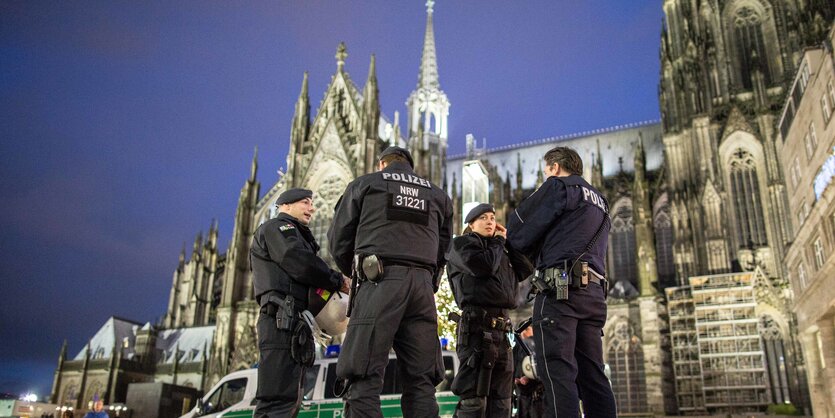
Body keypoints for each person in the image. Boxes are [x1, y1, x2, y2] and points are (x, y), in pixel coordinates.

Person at [328, 146, 453, 418]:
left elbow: (339, 240)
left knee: (363, 375)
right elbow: (445, 249)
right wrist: (429, 280)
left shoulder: (365, 184)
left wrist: (355, 270)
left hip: (378, 282)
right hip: (421, 288)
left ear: (381, 164)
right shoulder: (438, 195)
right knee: (422, 381)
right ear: (410, 166)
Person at [507, 146, 617, 418]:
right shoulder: (601, 201)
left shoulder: (559, 187)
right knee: (593, 376)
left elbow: (519, 229)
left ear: (555, 168)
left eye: (547, 171)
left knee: (557, 373)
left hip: (560, 292)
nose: (547, 176)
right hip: (593, 295)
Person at [251, 188, 350, 418]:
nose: (312, 208)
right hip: (281, 320)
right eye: (305, 202)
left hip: (295, 322)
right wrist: (338, 280)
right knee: (277, 399)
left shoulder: (296, 234)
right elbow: (299, 262)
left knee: (290, 399)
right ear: (285, 206)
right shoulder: (277, 228)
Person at [445, 203, 533, 417]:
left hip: (502, 332)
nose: (490, 221)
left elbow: (525, 269)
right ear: (471, 223)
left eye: (493, 218)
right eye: (483, 218)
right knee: (475, 403)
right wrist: (498, 242)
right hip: (476, 330)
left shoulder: (498, 249)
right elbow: (483, 267)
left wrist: (508, 242)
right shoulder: (461, 245)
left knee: (501, 404)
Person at [513, 326, 544, 418]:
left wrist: (517, 378)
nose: (523, 333)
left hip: (527, 396)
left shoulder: (523, 344)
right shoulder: (544, 343)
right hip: (540, 396)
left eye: (526, 329)